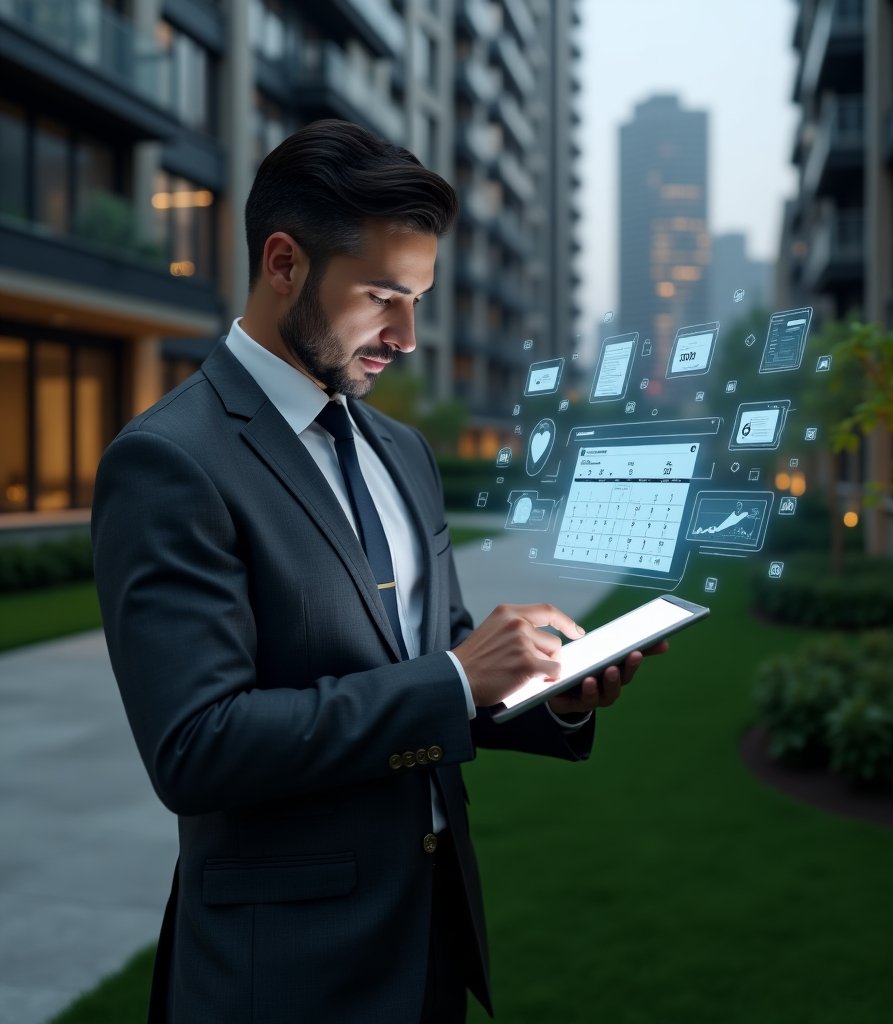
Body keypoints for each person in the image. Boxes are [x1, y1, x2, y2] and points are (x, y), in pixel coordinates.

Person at [92, 119, 663, 1023]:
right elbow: (196, 747)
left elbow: (434, 658)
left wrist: (550, 691)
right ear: (284, 264)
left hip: (430, 941)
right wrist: (452, 676)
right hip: (280, 973)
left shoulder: (402, 450)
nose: (405, 335)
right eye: (382, 297)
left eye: (420, 299)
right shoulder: (170, 460)